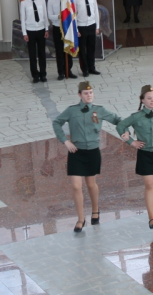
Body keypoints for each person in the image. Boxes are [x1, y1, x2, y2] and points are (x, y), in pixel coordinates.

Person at [52, 81, 122, 232]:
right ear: (80, 95)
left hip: (92, 152)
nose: (89, 95)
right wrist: (65, 141)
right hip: (76, 152)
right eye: (85, 93)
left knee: (91, 184)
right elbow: (57, 122)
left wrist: (127, 130)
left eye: (91, 93)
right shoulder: (71, 111)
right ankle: (80, 219)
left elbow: (118, 120)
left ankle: (95, 210)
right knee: (76, 186)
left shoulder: (99, 110)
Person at [117, 85, 153, 229]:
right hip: (144, 154)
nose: (152, 100)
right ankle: (151, 217)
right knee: (149, 184)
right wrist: (131, 141)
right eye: (149, 98)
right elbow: (121, 126)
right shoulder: (136, 116)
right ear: (142, 100)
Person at [46, 0, 76, 81]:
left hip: (68, 27)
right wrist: (59, 16)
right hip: (58, 27)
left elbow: (73, 13)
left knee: (68, 48)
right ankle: (61, 72)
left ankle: (69, 70)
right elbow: (49, 15)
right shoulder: (51, 0)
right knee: (59, 50)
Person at [19, 0, 49, 83]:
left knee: (42, 54)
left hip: (41, 30)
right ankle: (35, 75)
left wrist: (46, 29)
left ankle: (43, 74)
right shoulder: (24, 2)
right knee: (32, 54)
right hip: (30, 30)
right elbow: (23, 19)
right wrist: (24, 33)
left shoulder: (42, 0)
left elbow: (45, 16)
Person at [73, 0, 100, 77]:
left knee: (91, 48)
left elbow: (95, 11)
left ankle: (92, 67)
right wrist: (76, 29)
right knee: (82, 49)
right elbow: (74, 15)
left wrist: (97, 26)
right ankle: (85, 69)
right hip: (81, 26)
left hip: (91, 24)